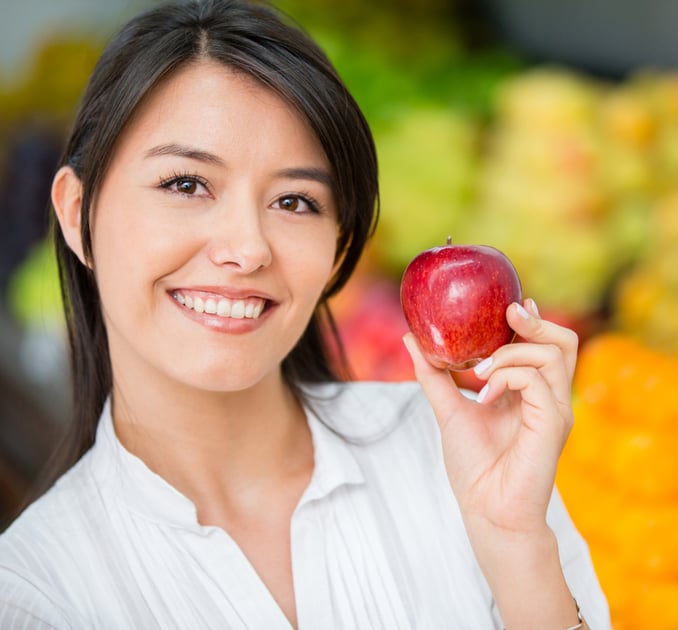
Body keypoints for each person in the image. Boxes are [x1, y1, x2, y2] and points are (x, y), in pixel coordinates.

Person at [0, 1, 611, 628]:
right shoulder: (35, 594)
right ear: (77, 214)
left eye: (294, 200)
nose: (247, 248)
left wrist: (513, 541)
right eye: (186, 184)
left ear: (340, 246)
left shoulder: (460, 459)